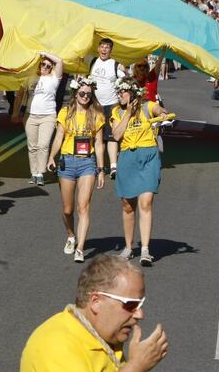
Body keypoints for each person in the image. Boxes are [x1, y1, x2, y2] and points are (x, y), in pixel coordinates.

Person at [14, 254, 168, 372]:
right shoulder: (55, 342)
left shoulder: (105, 337)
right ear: (96, 302)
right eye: (130, 305)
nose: (140, 314)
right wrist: (137, 365)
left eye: (140, 304)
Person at [111, 77, 172, 265]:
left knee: (145, 202)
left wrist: (162, 113)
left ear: (133, 93)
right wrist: (128, 113)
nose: (120, 94)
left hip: (148, 156)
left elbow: (159, 109)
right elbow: (116, 135)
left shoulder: (147, 106)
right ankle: (129, 247)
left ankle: (145, 250)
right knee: (128, 206)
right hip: (127, 157)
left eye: (123, 91)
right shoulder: (117, 111)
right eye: (118, 91)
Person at [47, 77, 106, 263]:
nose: (85, 97)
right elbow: (58, 137)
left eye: (89, 94)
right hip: (67, 161)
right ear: (75, 94)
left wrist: (101, 168)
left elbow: (99, 143)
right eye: (82, 93)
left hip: (87, 162)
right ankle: (71, 235)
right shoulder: (65, 112)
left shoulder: (97, 115)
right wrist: (51, 156)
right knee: (67, 209)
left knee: (84, 206)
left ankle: (80, 248)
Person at [88, 38, 125, 180]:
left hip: (111, 105)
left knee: (111, 136)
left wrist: (124, 70)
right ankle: (99, 166)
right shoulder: (92, 62)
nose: (104, 50)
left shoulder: (115, 65)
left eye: (107, 47)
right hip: (95, 105)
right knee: (97, 137)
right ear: (98, 48)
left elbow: (127, 81)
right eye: (102, 47)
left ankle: (114, 166)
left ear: (111, 50)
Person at [25, 51, 63, 186]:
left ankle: (40, 173)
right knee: (32, 146)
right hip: (32, 116)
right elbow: (21, 92)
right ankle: (34, 173)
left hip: (48, 116)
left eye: (48, 66)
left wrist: (43, 53)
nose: (45, 67)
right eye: (43, 64)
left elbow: (59, 61)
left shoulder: (54, 79)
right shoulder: (32, 77)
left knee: (43, 145)